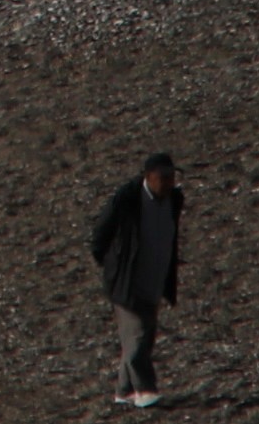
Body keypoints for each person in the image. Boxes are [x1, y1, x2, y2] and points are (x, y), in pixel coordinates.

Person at [91, 152, 183, 407]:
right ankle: (145, 389)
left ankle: (123, 391)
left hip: (154, 279)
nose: (168, 183)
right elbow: (102, 232)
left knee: (145, 335)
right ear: (147, 176)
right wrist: (110, 264)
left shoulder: (175, 199)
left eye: (171, 177)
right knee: (138, 336)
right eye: (162, 178)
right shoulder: (129, 197)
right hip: (127, 281)